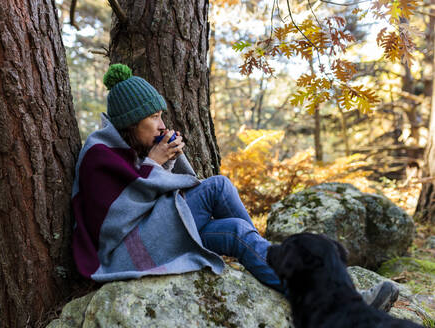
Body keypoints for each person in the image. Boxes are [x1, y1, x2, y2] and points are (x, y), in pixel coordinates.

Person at [71, 63, 398, 312]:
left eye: (160, 116)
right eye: (154, 117)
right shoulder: (99, 156)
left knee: (239, 231)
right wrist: (155, 163)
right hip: (124, 253)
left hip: (153, 232)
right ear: (132, 121)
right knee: (217, 187)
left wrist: (162, 162)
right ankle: (283, 258)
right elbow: (114, 226)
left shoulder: (127, 150)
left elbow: (146, 190)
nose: (161, 124)